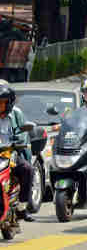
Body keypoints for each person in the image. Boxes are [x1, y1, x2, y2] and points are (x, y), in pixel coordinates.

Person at [0, 84, 34, 223]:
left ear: (9, 103)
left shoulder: (16, 114)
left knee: (27, 169)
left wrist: (18, 141)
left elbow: (23, 132)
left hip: (10, 153)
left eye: (2, 102)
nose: (0, 105)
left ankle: (22, 207)